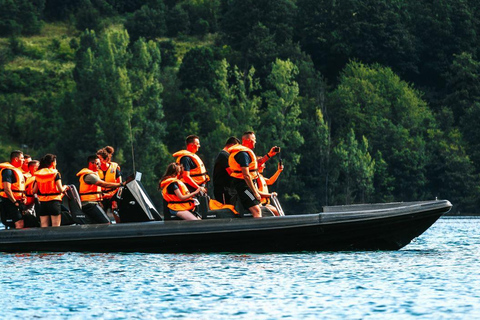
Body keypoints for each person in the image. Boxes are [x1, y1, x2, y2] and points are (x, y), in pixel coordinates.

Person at [77, 155, 125, 224]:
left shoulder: (94, 174)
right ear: (91, 164)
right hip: (90, 205)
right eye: (97, 164)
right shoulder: (89, 176)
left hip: (94, 203)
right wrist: (120, 184)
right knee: (107, 223)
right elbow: (104, 184)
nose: (99, 166)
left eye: (99, 163)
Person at [227, 131, 264, 217]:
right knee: (257, 210)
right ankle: (259, 229)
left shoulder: (245, 152)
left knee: (259, 207)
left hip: (248, 186)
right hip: (244, 188)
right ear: (249, 140)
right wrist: (255, 193)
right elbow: (246, 175)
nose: (255, 142)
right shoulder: (243, 154)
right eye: (254, 139)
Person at [33, 154, 68, 227]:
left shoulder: (38, 174)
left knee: (44, 226)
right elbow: (61, 190)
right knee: (56, 226)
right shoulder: (55, 173)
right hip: (54, 202)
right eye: (55, 162)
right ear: (52, 163)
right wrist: (65, 187)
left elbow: (34, 191)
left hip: (43, 203)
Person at [0, 150, 26, 229]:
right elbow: (7, 189)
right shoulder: (8, 171)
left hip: (18, 201)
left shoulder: (17, 171)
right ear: (16, 159)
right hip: (10, 201)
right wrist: (14, 201)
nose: (23, 160)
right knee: (19, 223)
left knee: (21, 221)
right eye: (22, 158)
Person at [97, 146, 122, 222]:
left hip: (113, 195)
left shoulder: (114, 168)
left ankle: (120, 226)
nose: (97, 161)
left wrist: (111, 195)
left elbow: (120, 185)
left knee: (115, 209)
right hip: (101, 196)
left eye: (99, 159)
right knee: (101, 215)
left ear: (105, 160)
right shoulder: (96, 170)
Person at [213, 136, 240, 205]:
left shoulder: (227, 156)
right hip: (223, 190)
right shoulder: (224, 155)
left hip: (229, 190)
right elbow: (231, 172)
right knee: (225, 209)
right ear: (232, 145)